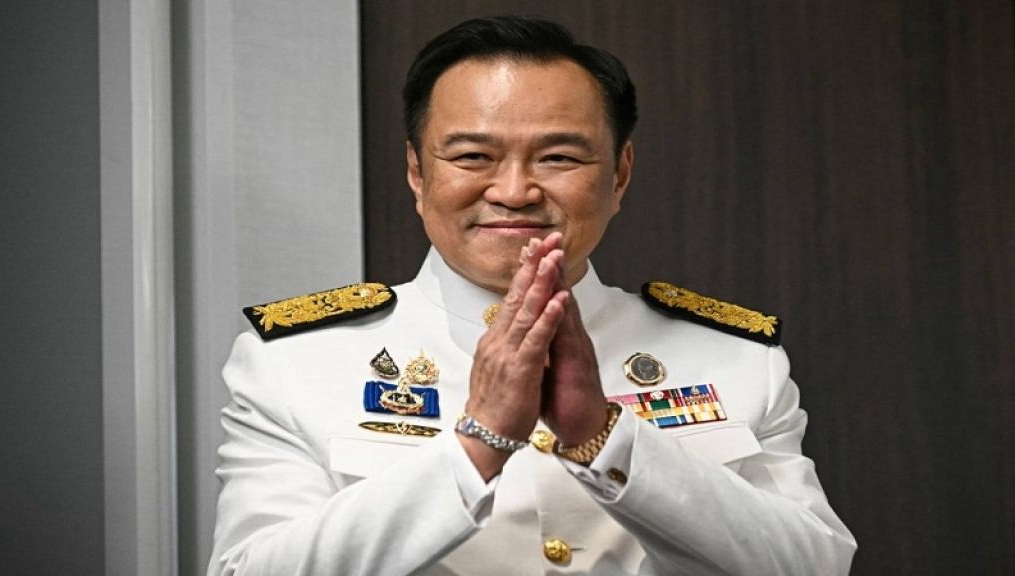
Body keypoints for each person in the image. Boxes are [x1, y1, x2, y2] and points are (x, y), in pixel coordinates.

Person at [208, 16, 856, 575]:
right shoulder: (293, 363)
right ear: (416, 172)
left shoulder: (736, 359)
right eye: (473, 157)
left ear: (619, 174)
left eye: (559, 158)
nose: (515, 192)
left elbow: (816, 564)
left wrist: (605, 439)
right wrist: (478, 444)